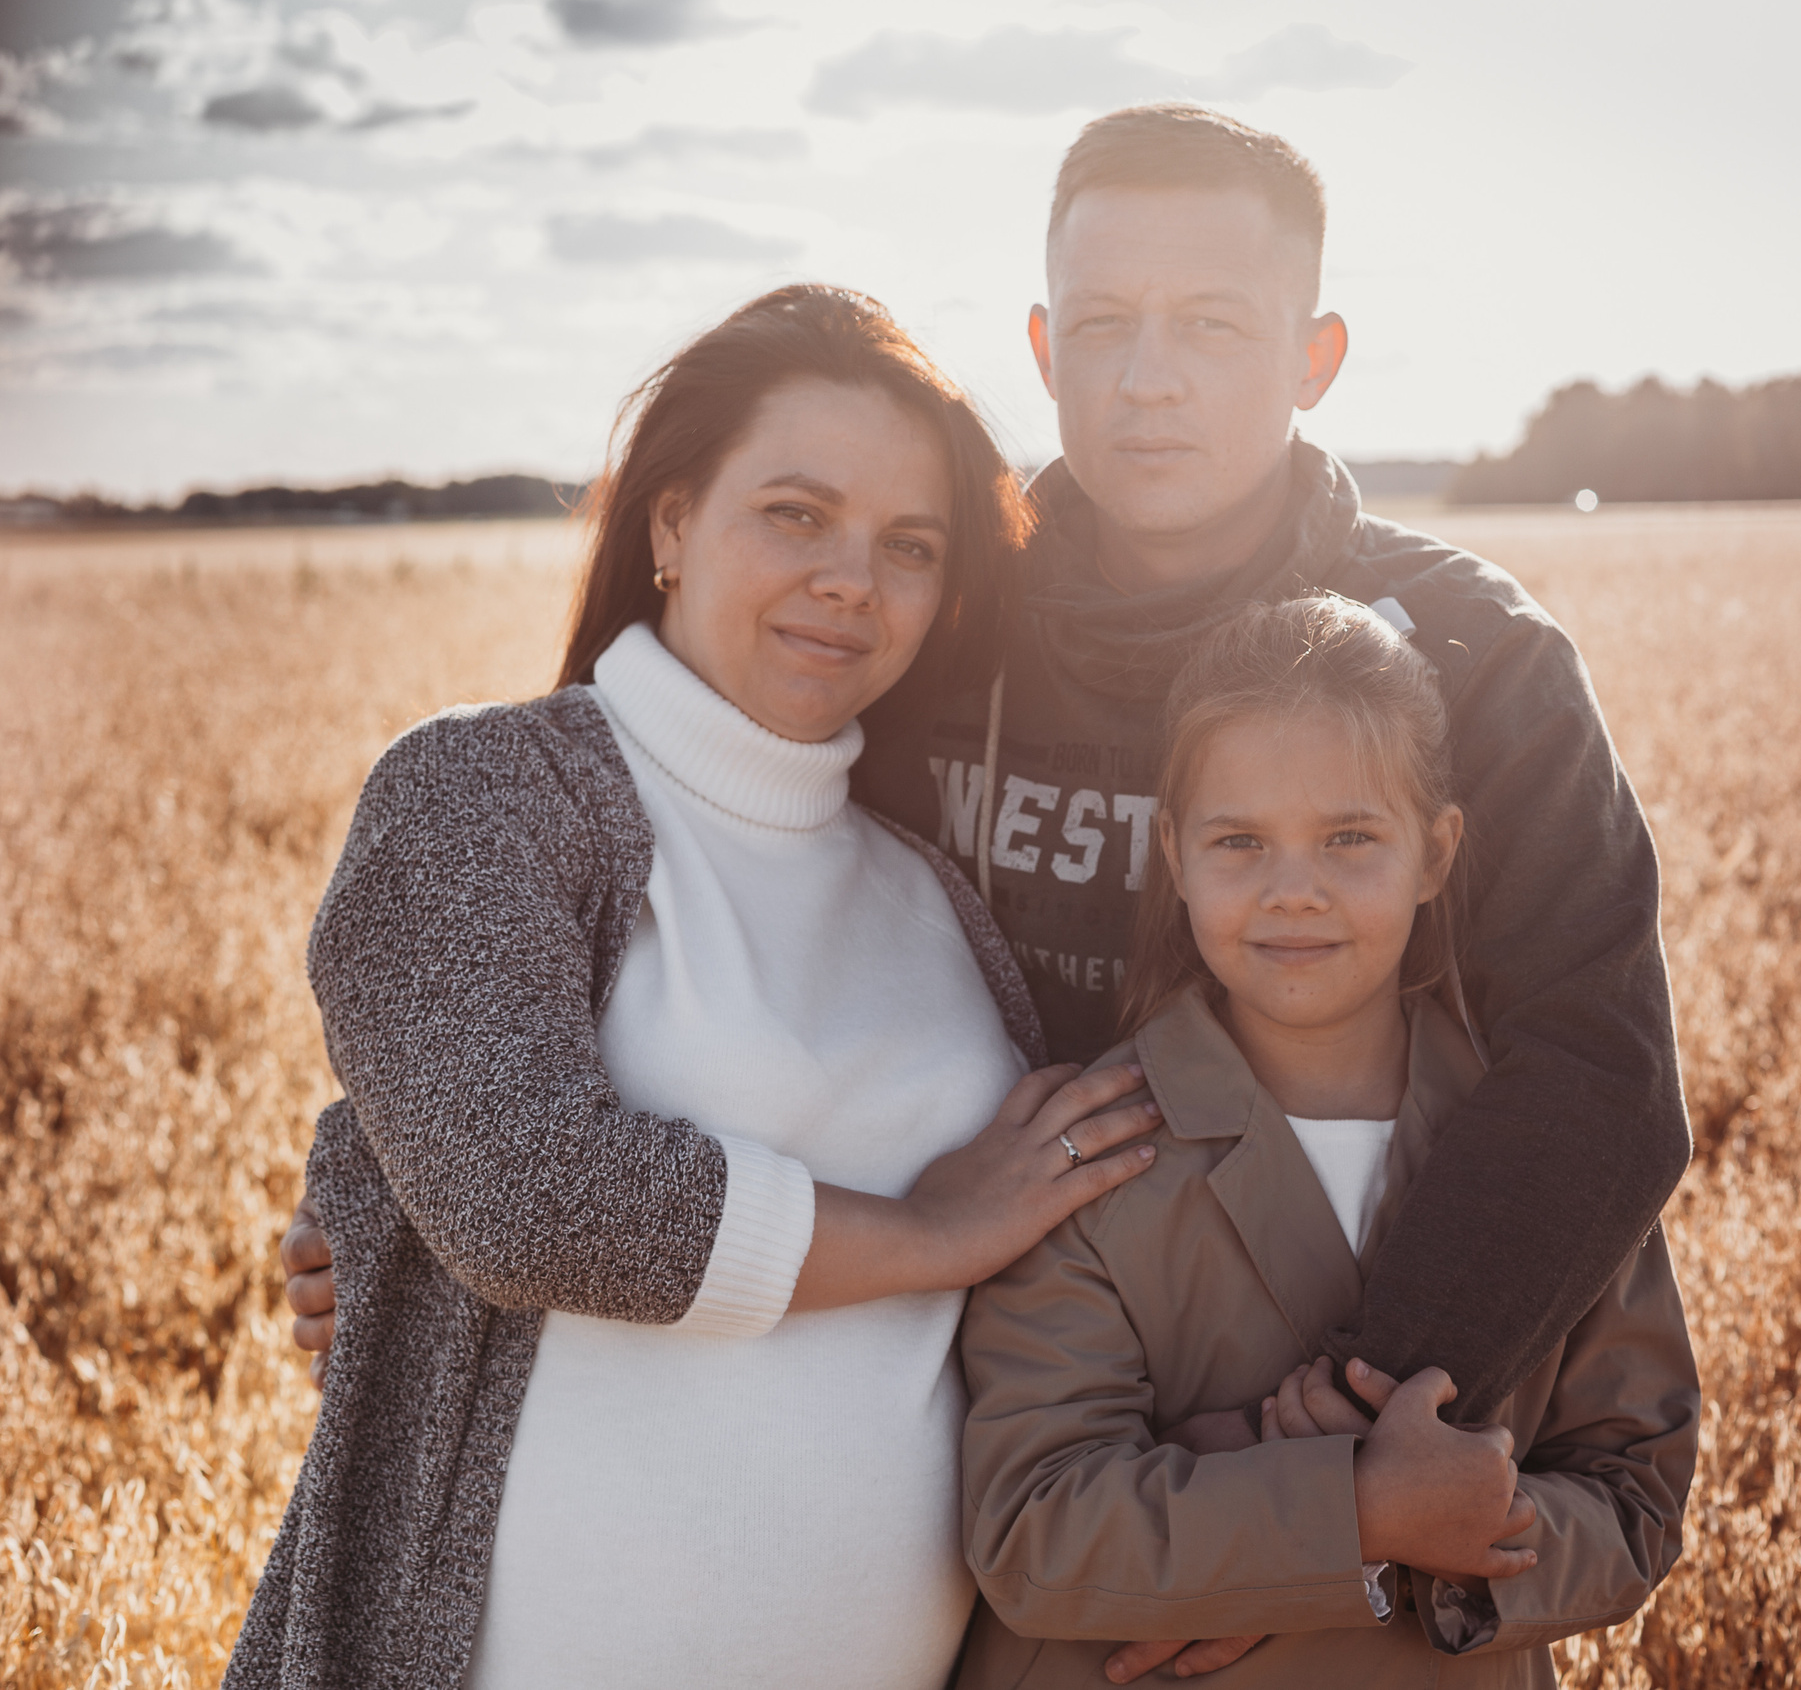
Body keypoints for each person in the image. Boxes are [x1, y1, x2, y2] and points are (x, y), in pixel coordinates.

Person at [227, 285, 1170, 1690]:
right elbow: (518, 1191)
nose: (852, 578)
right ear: (668, 525)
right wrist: (929, 1231)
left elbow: (1060, 1251)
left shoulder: (935, 893)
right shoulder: (487, 790)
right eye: (796, 513)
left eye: (910, 545)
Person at [851, 101, 1691, 1434]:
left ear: (1315, 358)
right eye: (1105, 324)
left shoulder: (1477, 654)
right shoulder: (931, 627)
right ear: (1045, 349)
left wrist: (1355, 1416)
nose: (1149, 378)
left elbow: (1601, 1072)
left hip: (1370, 1388)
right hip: (974, 1417)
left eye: (1212, 324)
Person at [953, 596, 1699, 1688]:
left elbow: (1635, 1494)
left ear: (1436, 852)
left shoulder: (1548, 1144)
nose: (1293, 890)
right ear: (1173, 853)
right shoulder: (1093, 1149)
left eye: (1349, 838)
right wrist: (1360, 1511)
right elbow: (1034, 1526)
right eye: (1239, 842)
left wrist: (1443, 1534)